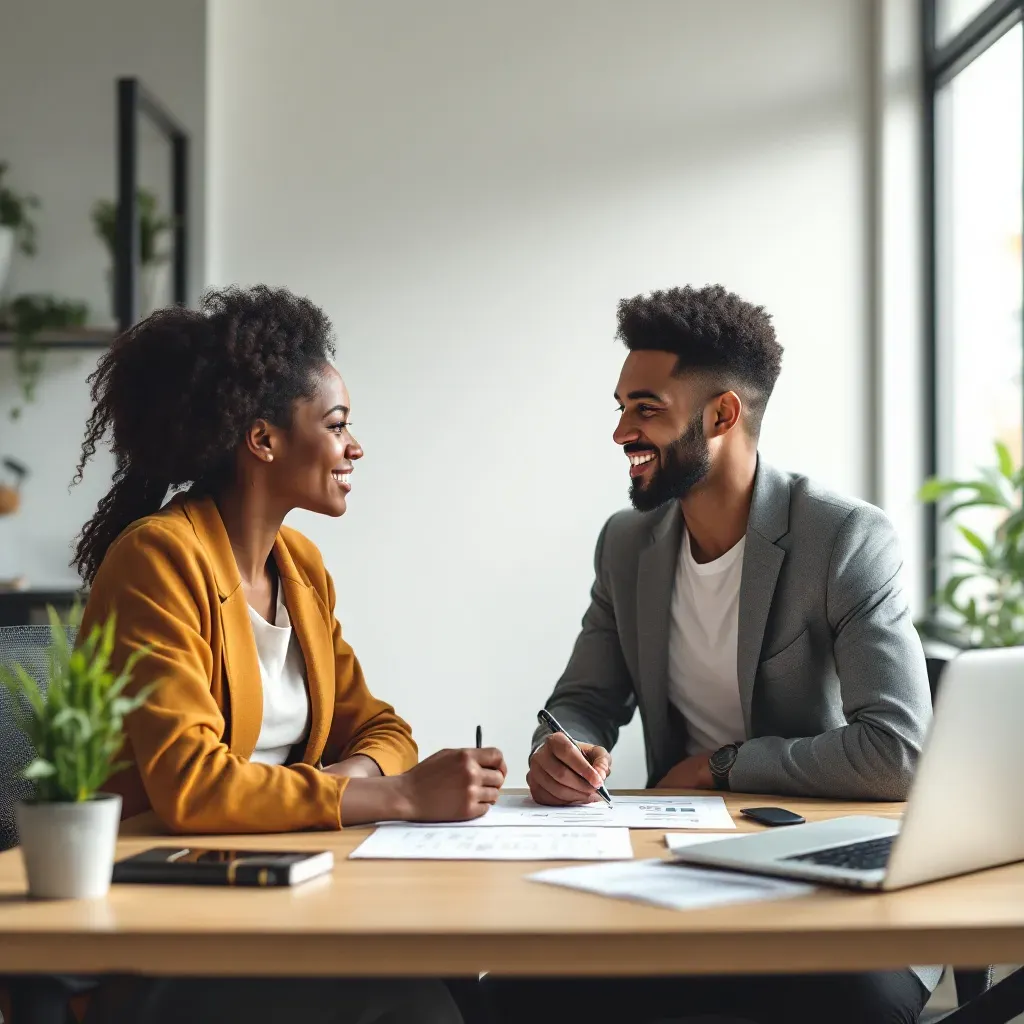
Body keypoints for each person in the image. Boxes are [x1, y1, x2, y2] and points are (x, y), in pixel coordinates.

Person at [487, 285, 936, 1024]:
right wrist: (562, 746)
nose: (621, 432)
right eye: (622, 406)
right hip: (680, 873)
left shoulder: (844, 540)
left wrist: (722, 766)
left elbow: (897, 752)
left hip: (825, 882)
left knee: (834, 1003)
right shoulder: (627, 544)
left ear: (722, 414)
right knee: (515, 988)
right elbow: (584, 702)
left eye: (646, 409)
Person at [73, 285, 506, 1024]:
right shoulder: (158, 559)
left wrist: (349, 776)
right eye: (336, 425)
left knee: (476, 982)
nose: (355, 447)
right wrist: (394, 796)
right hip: (166, 923)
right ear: (264, 440)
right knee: (417, 1010)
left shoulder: (298, 567)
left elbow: (385, 732)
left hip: (281, 890)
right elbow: (194, 787)